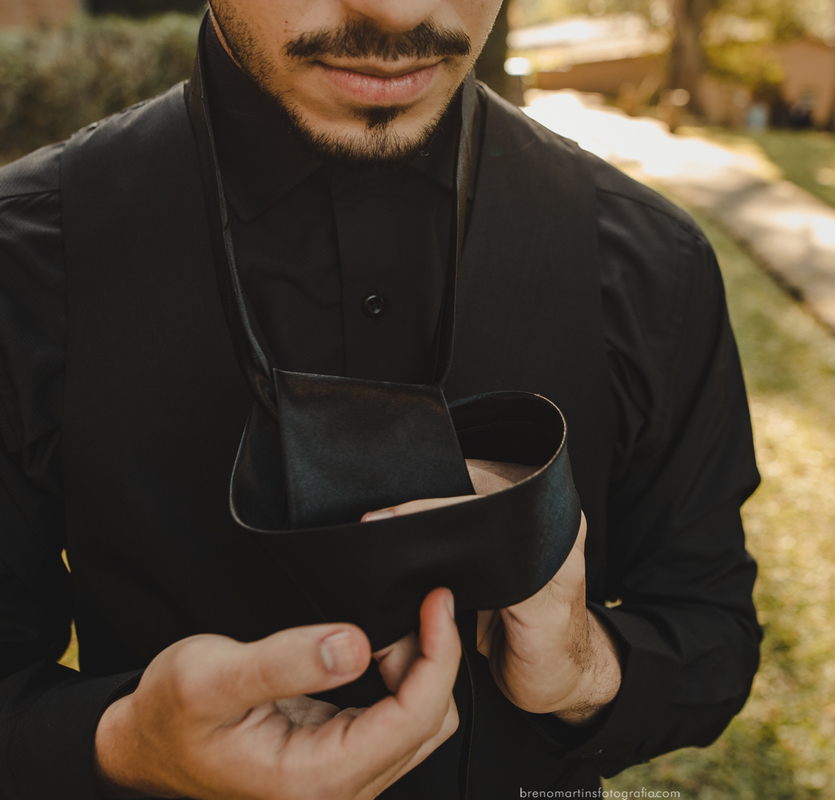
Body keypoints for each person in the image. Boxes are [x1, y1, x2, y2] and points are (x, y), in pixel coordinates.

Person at [0, 0, 762, 797]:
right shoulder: (21, 263)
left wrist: (581, 666)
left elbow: (711, 638)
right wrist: (128, 745)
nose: (398, 11)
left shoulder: (656, 265)